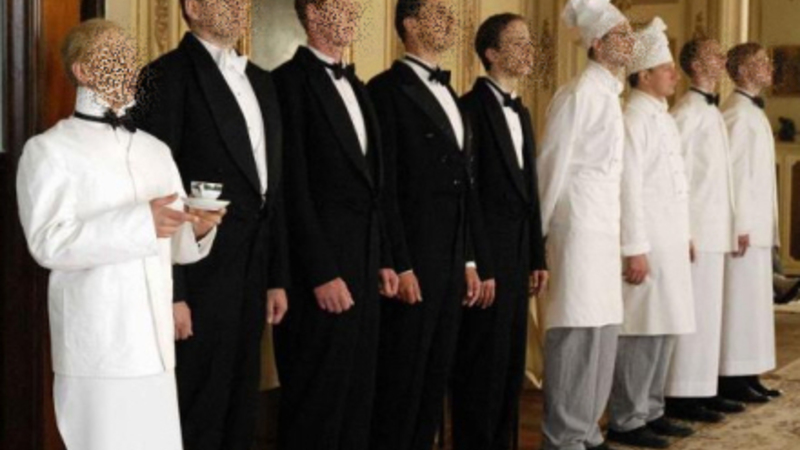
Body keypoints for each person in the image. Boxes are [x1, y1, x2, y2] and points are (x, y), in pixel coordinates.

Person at [16, 19, 223, 450]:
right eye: (115, 57)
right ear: (83, 70)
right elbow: (49, 243)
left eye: (131, 58)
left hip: (156, 348)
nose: (129, 67)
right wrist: (141, 222)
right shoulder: (48, 150)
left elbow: (174, 246)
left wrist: (198, 229)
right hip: (98, 345)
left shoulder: (156, 150)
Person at [133, 1, 289, 448]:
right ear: (194, 6)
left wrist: (275, 278)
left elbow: (272, 189)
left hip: (252, 268)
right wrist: (174, 292)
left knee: (242, 402)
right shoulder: (164, 76)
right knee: (198, 404)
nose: (238, 7)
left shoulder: (261, 80)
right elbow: (154, 187)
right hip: (199, 272)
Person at [270, 1, 399, 449]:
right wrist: (321, 271)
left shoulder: (360, 87)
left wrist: (385, 257)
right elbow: (292, 189)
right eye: (339, 6)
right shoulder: (286, 83)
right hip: (318, 274)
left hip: (365, 265)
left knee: (357, 397)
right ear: (311, 13)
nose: (351, 14)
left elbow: (376, 186)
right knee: (316, 402)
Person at [367, 0, 491, 448]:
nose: (450, 23)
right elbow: (385, 188)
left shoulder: (453, 96)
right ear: (410, 24)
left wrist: (470, 260)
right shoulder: (385, 90)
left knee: (435, 379)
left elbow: (465, 188)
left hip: (451, 259)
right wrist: (399, 263)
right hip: (413, 258)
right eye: (438, 14)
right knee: (402, 380)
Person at [536, 0, 635, 448]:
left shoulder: (611, 96)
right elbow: (552, 165)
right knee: (576, 331)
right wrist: (537, 236)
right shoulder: (577, 94)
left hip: (604, 231)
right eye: (620, 35)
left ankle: (588, 429)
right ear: (596, 44)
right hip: (576, 230)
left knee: (603, 330)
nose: (629, 43)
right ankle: (563, 435)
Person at [452, 13, 547, 450]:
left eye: (529, 41)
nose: (529, 50)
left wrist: (537, 256)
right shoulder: (469, 108)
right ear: (491, 53)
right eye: (518, 42)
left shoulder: (521, 111)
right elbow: (468, 197)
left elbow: (531, 191)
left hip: (518, 256)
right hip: (487, 260)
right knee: (480, 370)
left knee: (509, 368)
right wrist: (478, 263)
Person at [605, 18, 695, 449]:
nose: (674, 75)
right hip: (647, 243)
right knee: (641, 331)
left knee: (665, 328)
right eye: (666, 69)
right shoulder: (633, 119)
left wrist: (686, 234)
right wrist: (634, 248)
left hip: (671, 240)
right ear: (643, 76)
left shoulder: (663, 118)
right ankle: (627, 417)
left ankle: (653, 409)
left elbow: (676, 186)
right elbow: (629, 188)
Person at [664, 38, 744, 422]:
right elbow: (674, 177)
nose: (723, 60)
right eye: (714, 55)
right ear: (695, 65)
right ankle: (681, 394)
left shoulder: (711, 111)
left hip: (716, 230)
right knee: (692, 317)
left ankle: (704, 388)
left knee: (709, 318)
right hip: (696, 232)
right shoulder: (686, 112)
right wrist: (684, 232)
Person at [718, 42, 781, 403]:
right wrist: (739, 224)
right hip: (744, 230)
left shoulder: (751, 111)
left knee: (755, 307)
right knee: (740, 306)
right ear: (741, 71)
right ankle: (733, 377)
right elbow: (736, 176)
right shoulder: (737, 114)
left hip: (757, 227)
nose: (768, 66)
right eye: (760, 62)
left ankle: (750, 373)